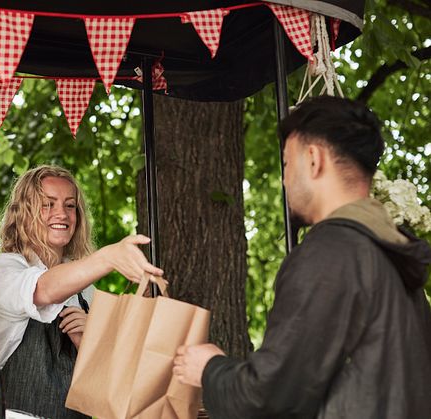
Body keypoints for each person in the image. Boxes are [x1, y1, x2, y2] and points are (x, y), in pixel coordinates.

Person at [173, 96, 431, 418]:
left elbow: (271, 399)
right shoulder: (394, 256)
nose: (284, 179)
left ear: (313, 159)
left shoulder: (331, 253)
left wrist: (209, 368)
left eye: (285, 164)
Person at [0, 165, 163, 419]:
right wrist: (108, 258)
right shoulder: (7, 270)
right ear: (24, 213)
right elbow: (43, 290)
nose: (62, 214)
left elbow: (107, 383)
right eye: (48, 204)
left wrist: (90, 338)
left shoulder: (85, 289)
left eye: (70, 205)